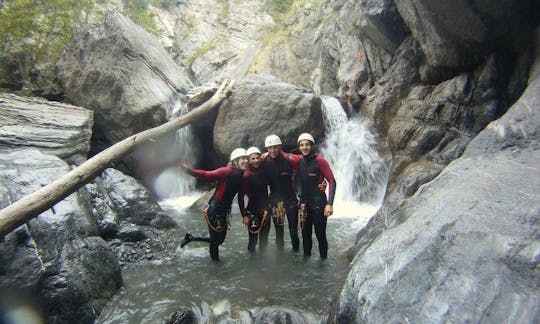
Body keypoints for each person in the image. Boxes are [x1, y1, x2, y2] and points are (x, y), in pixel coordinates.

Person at [179, 148, 248, 261]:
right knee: (215, 241)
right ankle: (216, 265)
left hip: (224, 210)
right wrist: (188, 171)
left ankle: (191, 237)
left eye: (246, 158)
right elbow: (206, 174)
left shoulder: (242, 175)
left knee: (219, 240)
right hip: (215, 209)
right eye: (242, 159)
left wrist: (244, 214)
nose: (245, 161)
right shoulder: (226, 171)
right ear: (235, 161)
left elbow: (240, 197)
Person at [296, 133, 336, 259]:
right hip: (304, 203)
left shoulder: (320, 161)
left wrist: (330, 204)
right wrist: (265, 155)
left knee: (320, 234)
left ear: (312, 145)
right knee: (305, 234)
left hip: (319, 203)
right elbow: (283, 156)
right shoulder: (299, 161)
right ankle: (306, 260)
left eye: (307, 144)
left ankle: (323, 261)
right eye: (301, 145)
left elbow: (332, 181)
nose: (304, 147)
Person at [260, 134, 302, 252]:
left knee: (293, 231)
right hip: (275, 201)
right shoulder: (264, 161)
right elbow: (250, 167)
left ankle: (296, 255)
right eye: (269, 148)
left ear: (280, 146)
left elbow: (309, 163)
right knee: (279, 233)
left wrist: (320, 181)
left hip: (291, 200)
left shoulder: (290, 159)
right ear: (267, 149)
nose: (272, 150)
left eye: (275, 147)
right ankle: (280, 258)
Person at [239, 147, 271, 253]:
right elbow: (241, 197)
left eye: (257, 158)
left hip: (266, 209)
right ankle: (252, 264)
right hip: (252, 210)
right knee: (252, 240)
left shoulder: (263, 170)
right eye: (253, 159)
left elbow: (270, 156)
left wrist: (267, 154)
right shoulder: (246, 175)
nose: (256, 160)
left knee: (264, 239)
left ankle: (262, 264)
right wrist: (244, 215)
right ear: (248, 160)